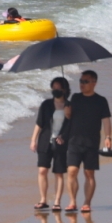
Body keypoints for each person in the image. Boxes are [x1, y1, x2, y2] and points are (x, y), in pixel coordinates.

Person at [65, 69, 111, 212]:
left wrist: (108, 137)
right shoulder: (75, 98)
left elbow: (106, 121)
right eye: (80, 81)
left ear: (94, 83)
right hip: (74, 141)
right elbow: (68, 117)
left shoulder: (101, 101)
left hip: (92, 142)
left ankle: (87, 202)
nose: (82, 84)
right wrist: (66, 110)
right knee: (72, 171)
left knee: (89, 173)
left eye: (85, 81)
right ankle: (72, 201)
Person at [32, 76, 72, 211]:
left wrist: (68, 115)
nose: (55, 90)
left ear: (65, 89)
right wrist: (33, 140)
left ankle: (57, 202)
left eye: (58, 87)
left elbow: (73, 126)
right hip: (45, 141)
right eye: (53, 87)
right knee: (42, 170)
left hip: (61, 143)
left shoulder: (70, 106)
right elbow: (39, 123)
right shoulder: (46, 104)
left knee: (59, 173)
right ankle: (43, 199)